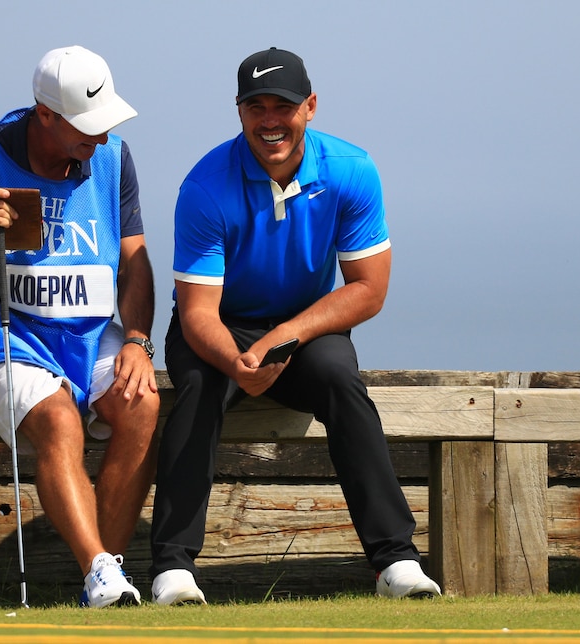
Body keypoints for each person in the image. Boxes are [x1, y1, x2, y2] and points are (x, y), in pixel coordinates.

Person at [149, 47, 441, 604]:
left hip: (304, 328)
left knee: (341, 382)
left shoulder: (350, 170)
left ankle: (395, 561)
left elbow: (368, 290)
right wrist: (239, 361)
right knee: (198, 386)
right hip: (221, 325)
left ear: (309, 106)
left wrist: (282, 339)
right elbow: (196, 314)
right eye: (254, 106)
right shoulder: (205, 186)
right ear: (238, 112)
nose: (269, 121)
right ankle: (172, 567)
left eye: (282, 106)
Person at [0, 46, 159, 608]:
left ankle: (107, 576)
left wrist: (137, 341)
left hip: (88, 333)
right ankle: (100, 572)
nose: (99, 140)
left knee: (142, 403)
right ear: (45, 114)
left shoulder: (114, 158)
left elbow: (137, 265)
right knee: (57, 418)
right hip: (1, 334)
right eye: (87, 127)